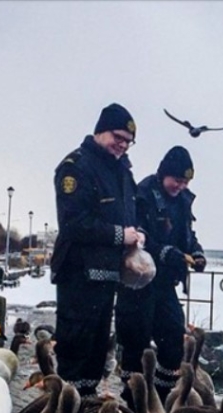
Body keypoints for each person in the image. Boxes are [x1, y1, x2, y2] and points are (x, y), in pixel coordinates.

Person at [50, 103, 143, 396]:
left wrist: (138, 235)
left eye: (128, 142)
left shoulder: (122, 173)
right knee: (75, 349)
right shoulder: (76, 167)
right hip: (79, 274)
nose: (123, 145)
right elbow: (73, 224)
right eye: (118, 137)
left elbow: (131, 217)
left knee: (96, 352)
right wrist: (120, 235)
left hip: (107, 276)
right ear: (100, 131)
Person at [115, 145, 206, 403]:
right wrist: (166, 253)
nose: (181, 185)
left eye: (185, 181)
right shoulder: (142, 194)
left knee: (173, 340)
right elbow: (138, 235)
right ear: (164, 173)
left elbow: (187, 236)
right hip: (139, 282)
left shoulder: (183, 201)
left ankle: (159, 398)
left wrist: (196, 252)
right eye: (177, 180)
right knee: (136, 341)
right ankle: (134, 401)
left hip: (165, 284)